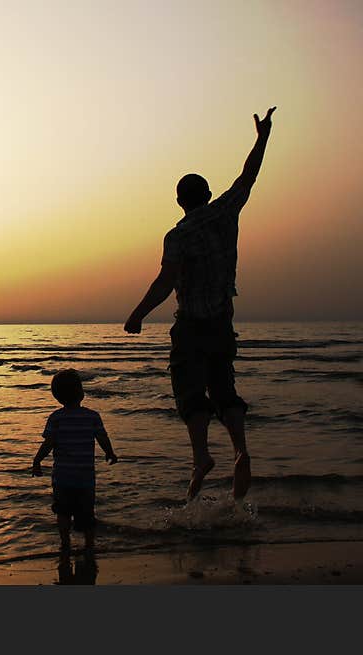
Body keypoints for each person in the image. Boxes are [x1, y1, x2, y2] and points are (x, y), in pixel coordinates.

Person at [123, 107, 277, 500]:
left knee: (190, 390)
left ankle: (202, 457)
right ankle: (240, 448)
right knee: (224, 386)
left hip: (191, 324)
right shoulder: (225, 211)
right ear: (207, 195)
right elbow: (248, 176)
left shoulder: (177, 235)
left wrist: (138, 314)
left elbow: (165, 282)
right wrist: (262, 137)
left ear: (179, 201)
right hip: (223, 320)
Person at [32, 370, 118, 552]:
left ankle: (65, 543)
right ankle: (89, 544)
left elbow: (49, 443)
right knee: (87, 514)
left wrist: (37, 460)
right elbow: (102, 437)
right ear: (81, 392)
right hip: (85, 479)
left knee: (63, 512)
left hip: (62, 478)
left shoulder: (55, 418)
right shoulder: (92, 416)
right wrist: (109, 452)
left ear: (57, 396)